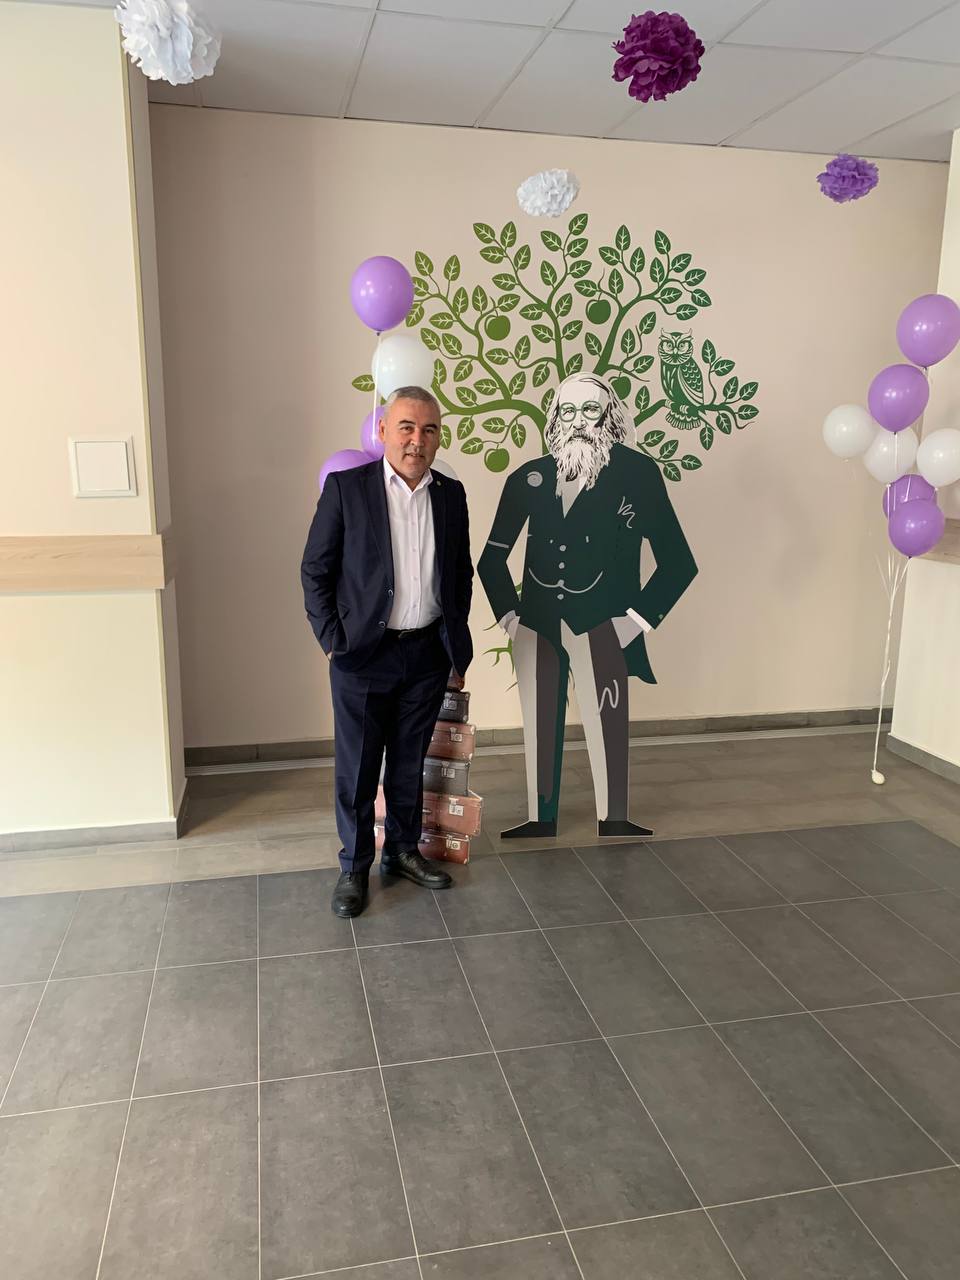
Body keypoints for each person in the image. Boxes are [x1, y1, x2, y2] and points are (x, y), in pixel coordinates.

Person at [478, 372, 696, 840]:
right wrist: (511, 619)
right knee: (538, 723)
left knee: (607, 721)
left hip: (603, 623)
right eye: (568, 411)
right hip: (536, 624)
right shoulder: (528, 477)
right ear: (556, 419)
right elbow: (491, 558)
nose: (578, 421)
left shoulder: (637, 474)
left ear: (609, 416)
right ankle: (540, 818)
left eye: (590, 410)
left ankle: (614, 818)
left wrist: (634, 622)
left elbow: (679, 562)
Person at [301, 386, 473, 917]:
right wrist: (332, 641)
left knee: (408, 760)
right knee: (356, 768)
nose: (417, 440)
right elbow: (315, 570)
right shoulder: (347, 490)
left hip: (425, 653)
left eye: (429, 430)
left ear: (438, 437)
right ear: (382, 431)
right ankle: (354, 865)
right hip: (362, 655)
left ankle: (401, 850)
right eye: (406, 427)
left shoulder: (451, 494)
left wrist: (454, 644)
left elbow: (459, 573)